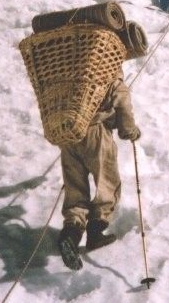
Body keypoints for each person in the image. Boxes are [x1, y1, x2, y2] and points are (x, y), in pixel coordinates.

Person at [57, 76, 141, 270]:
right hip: (97, 133)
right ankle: (95, 233)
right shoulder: (107, 75)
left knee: (75, 189)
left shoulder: (67, 70)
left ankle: (70, 234)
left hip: (69, 133)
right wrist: (131, 132)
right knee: (108, 185)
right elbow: (124, 112)